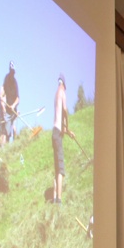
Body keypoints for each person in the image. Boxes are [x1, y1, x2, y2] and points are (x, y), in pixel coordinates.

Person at [51, 73, 70, 205]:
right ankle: (59, 200)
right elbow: (65, 110)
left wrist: (68, 131)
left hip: (54, 132)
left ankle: (54, 198)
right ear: (63, 84)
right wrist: (67, 124)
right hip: (58, 133)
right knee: (61, 169)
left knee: (57, 168)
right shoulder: (62, 92)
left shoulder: (56, 94)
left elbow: (59, 117)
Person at [0, 60, 20, 144]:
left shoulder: (15, 82)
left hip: (14, 110)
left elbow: (18, 98)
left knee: (14, 129)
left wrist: (13, 106)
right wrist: (2, 103)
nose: (12, 74)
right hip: (7, 112)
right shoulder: (6, 79)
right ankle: (7, 147)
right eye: (11, 71)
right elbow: (2, 92)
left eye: (13, 72)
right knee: (7, 133)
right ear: (9, 70)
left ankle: (15, 145)